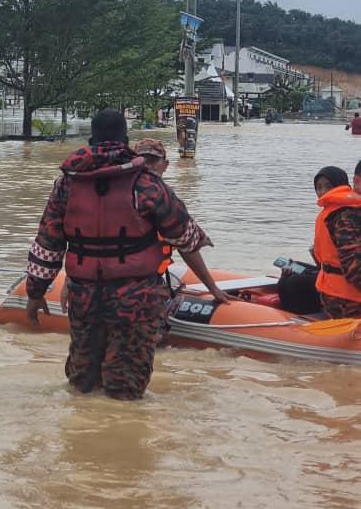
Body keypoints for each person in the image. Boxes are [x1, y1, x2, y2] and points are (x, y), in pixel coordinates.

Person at [25, 109, 230, 400]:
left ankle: (80, 439)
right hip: (136, 298)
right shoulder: (146, 184)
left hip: (84, 296)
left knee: (83, 381)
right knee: (127, 385)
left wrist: (35, 293)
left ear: (92, 138)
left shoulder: (67, 185)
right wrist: (202, 245)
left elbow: (47, 244)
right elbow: (183, 233)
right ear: (126, 140)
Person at [312, 165, 361, 318]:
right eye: (319, 187)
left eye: (327, 186)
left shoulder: (344, 213)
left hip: (338, 290)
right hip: (346, 299)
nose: (322, 192)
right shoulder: (345, 216)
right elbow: (354, 268)